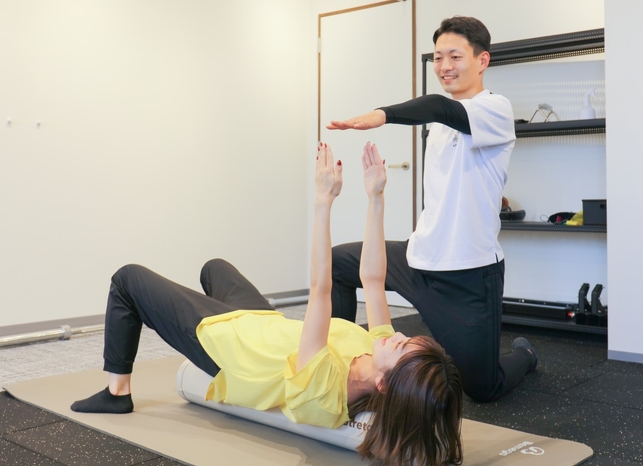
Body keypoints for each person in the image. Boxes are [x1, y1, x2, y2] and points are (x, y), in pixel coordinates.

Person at [71, 142, 464, 466]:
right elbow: (374, 280)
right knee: (214, 267)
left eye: (400, 346)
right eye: (407, 339)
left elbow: (320, 288)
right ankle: (192, 308)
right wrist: (376, 198)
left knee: (127, 279)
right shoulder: (377, 355)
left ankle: (117, 392)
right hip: (265, 324)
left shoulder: (324, 393)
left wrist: (322, 201)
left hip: (230, 348)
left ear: (382, 383)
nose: (397, 335)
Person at [326, 16, 538, 403]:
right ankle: (343, 361)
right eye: (438, 57)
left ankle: (524, 355)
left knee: (482, 388)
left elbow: (440, 107)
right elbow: (440, 113)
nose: (443, 66)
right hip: (418, 257)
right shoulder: (439, 123)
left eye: (455, 56)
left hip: (468, 274)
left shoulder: (495, 109)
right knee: (338, 263)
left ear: (482, 60)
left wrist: (381, 114)